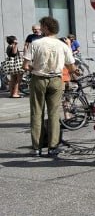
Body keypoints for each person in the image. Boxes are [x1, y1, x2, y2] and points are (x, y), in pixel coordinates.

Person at [22, 16, 77, 157]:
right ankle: (53, 147)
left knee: (36, 113)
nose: (39, 30)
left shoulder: (35, 43)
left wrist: (35, 67)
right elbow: (71, 67)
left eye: (41, 27)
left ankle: (37, 148)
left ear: (46, 28)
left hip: (39, 79)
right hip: (56, 80)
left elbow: (25, 66)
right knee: (54, 113)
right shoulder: (63, 45)